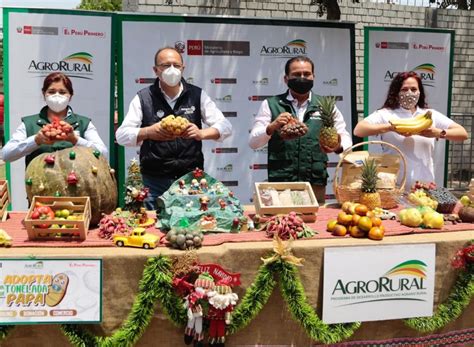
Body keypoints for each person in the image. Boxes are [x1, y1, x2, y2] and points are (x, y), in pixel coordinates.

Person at [116, 47, 232, 210]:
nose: (172, 70)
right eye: (165, 65)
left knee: (191, 227)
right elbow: (121, 135)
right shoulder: (143, 97)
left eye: (176, 65)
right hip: (155, 181)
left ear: (183, 69)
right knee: (154, 229)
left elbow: (225, 126)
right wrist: (149, 132)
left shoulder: (197, 95)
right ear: (155, 70)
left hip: (192, 179)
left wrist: (201, 133)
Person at [248, 56, 352, 204]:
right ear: (286, 78)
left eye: (306, 74)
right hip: (281, 181)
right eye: (296, 75)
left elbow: (345, 136)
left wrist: (338, 146)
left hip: (315, 182)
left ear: (313, 77)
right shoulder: (271, 104)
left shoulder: (325, 105)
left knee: (316, 222)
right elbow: (253, 142)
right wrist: (271, 127)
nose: (302, 78)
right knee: (283, 222)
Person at [353, 71, 468, 189]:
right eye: (404, 89)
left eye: (414, 89)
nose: (409, 93)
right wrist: (389, 127)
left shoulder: (429, 115)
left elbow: (462, 133)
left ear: (420, 92)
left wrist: (439, 133)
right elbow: (359, 130)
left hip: (424, 187)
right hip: (393, 187)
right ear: (396, 93)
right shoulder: (385, 114)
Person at [2, 72, 108, 166]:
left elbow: (104, 154)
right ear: (44, 94)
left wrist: (75, 140)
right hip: (40, 187)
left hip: (79, 186)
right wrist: (36, 140)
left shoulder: (83, 123)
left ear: (70, 96)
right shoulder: (29, 123)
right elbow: (6, 155)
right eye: (51, 92)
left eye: (62, 92)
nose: (57, 96)